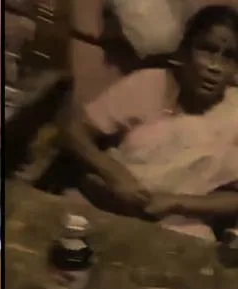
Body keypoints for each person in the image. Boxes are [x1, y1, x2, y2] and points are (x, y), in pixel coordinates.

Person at [65, 5, 238, 241]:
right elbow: (74, 130)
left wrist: (177, 203)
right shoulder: (149, 83)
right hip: (108, 202)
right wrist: (115, 174)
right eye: (207, 50)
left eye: (228, 57)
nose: (214, 66)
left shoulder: (233, 112)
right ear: (184, 52)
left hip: (179, 223)